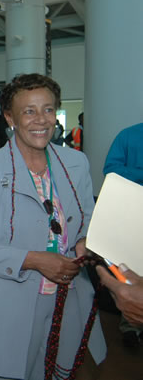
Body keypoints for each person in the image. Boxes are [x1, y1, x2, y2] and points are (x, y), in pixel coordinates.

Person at [0, 74, 105, 380]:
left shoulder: (75, 162)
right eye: (29, 111)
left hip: (69, 297)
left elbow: (90, 219)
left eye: (48, 110)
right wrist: (35, 259)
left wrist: (84, 241)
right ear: (10, 117)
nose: (41, 120)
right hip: (11, 303)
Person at [102, 122, 143, 346]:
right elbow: (111, 169)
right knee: (134, 268)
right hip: (134, 214)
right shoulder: (128, 135)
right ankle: (131, 327)